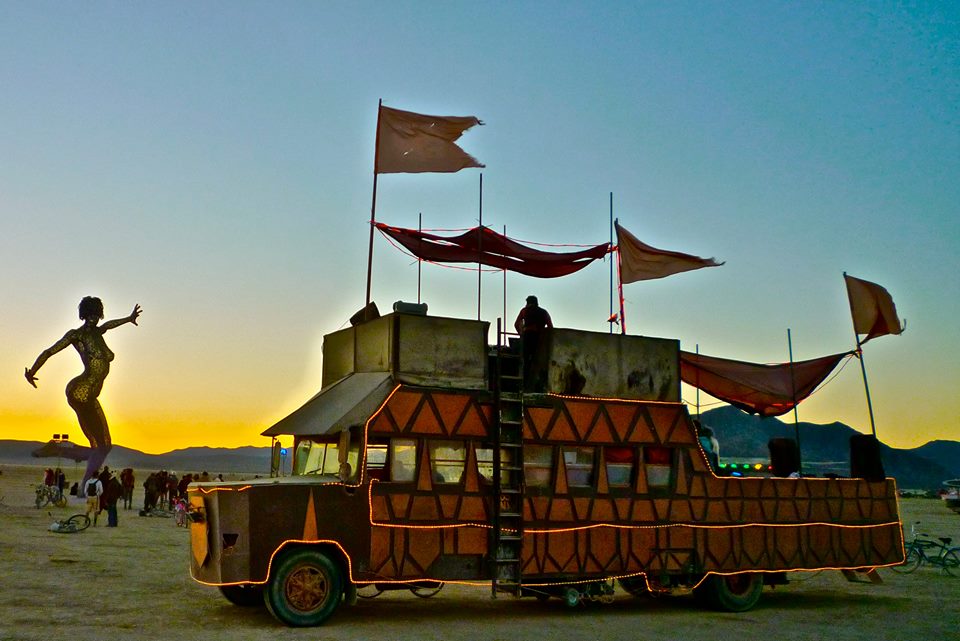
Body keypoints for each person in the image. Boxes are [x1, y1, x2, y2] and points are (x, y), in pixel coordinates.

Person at [24, 297, 142, 492]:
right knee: (102, 446)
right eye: (91, 315)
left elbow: (109, 325)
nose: (95, 319)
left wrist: (128, 319)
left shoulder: (98, 331)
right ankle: (85, 488)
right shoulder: (76, 335)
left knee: (102, 445)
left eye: (97, 314)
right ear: (84, 315)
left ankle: (60, 450)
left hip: (90, 395)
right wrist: (32, 372)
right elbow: (49, 351)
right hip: (80, 391)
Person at [514, 295, 553, 391]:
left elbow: (516, 324)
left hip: (527, 338)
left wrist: (521, 334)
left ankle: (524, 385)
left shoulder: (524, 311)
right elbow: (550, 327)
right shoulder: (544, 312)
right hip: (540, 340)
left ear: (528, 303)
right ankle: (536, 385)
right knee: (537, 363)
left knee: (526, 362)